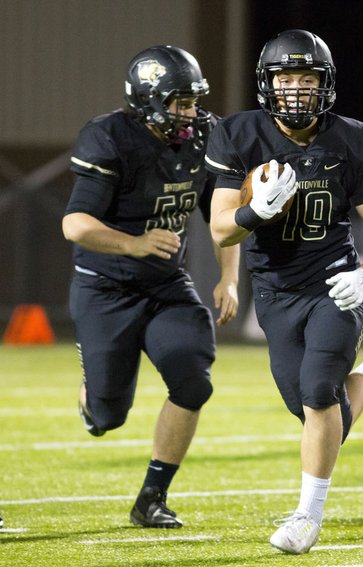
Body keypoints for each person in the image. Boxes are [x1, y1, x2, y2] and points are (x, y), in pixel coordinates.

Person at [205, 29, 363, 555]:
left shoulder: (355, 141)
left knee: (317, 395)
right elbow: (221, 230)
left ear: (325, 83)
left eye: (306, 78)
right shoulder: (237, 135)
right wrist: (254, 212)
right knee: (314, 410)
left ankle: (307, 515)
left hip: (335, 283)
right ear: (267, 83)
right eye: (286, 78)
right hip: (275, 290)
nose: (296, 90)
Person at [62, 45, 240, 528]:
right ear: (147, 100)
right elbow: (75, 225)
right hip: (105, 287)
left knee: (192, 379)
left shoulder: (206, 135)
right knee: (107, 418)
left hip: (165, 284)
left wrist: (229, 276)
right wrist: (134, 243)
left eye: (192, 101)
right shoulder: (109, 137)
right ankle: (93, 396)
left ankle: (152, 498)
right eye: (178, 102)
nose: (189, 112)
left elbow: (221, 216)